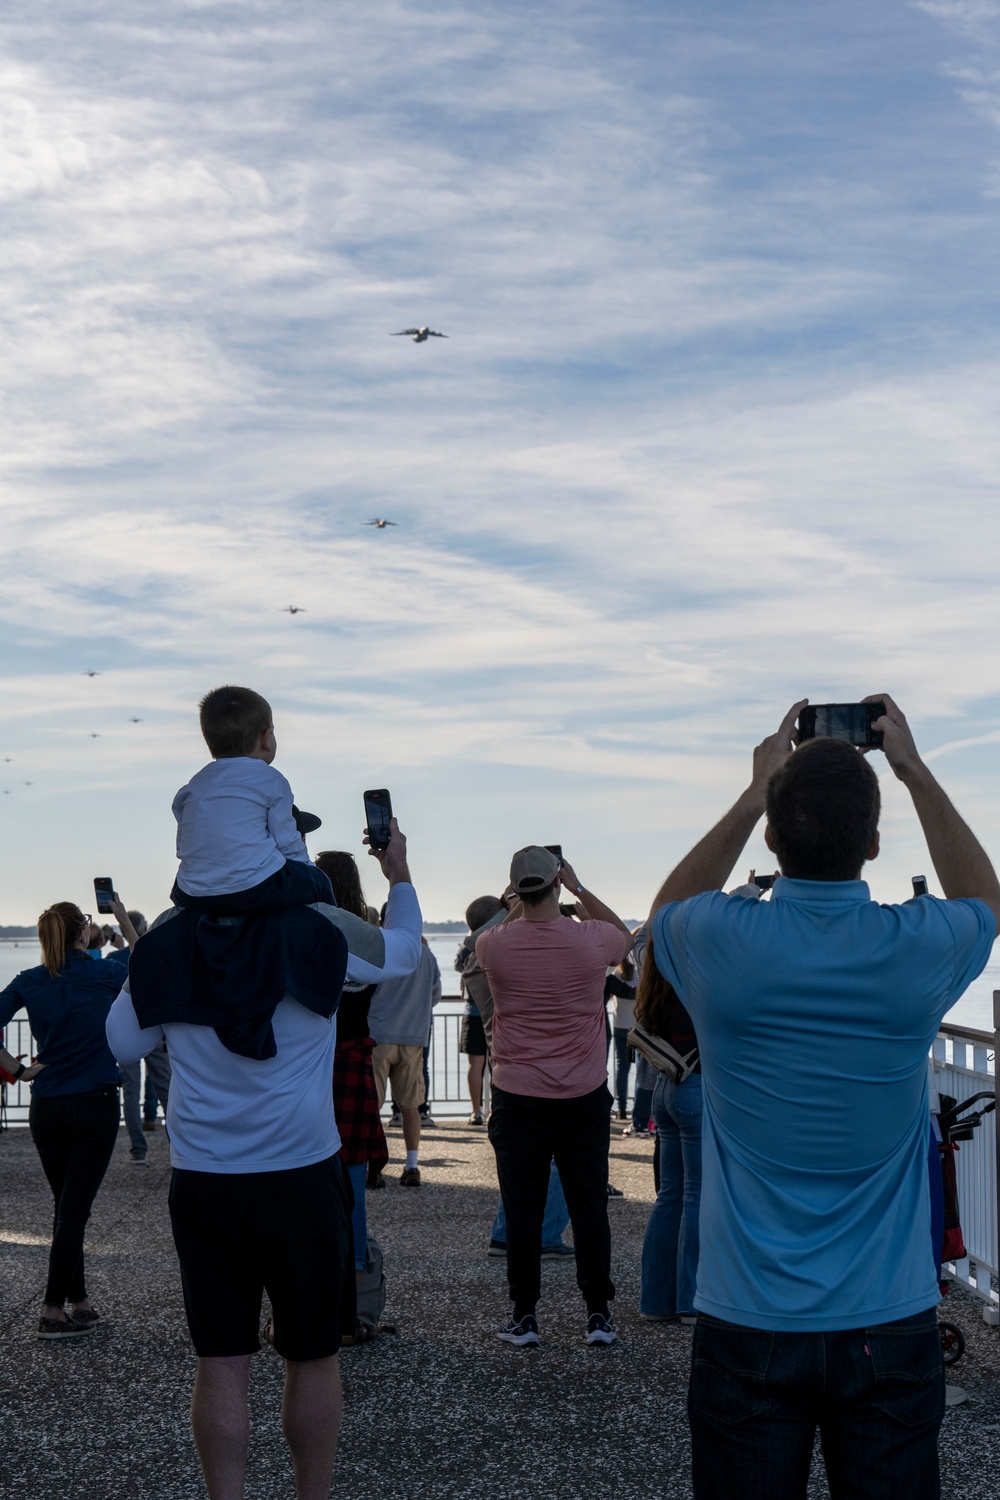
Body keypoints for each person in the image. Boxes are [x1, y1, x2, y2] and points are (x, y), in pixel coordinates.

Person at [648, 696, 999, 1500]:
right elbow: (988, 903)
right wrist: (914, 771)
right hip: (889, 1313)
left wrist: (750, 793)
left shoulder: (722, 939)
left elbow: (666, 911)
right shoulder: (916, 945)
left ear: (771, 837)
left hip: (747, 1314)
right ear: (874, 846)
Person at [107, 817, 421, 1500]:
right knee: (313, 1356)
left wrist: (156, 959)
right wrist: (397, 873)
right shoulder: (321, 925)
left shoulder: (171, 930)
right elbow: (401, 954)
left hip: (207, 1178)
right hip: (302, 1173)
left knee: (221, 1363)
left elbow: (123, 1040)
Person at [478, 847, 632, 1348]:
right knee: (588, 1204)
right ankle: (598, 1314)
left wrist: (512, 902)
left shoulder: (494, 945)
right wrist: (580, 889)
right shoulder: (590, 940)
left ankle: (525, 1316)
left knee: (522, 1206)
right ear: (557, 883)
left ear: (516, 890)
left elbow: (493, 928)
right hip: (583, 1092)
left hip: (517, 1093)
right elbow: (625, 938)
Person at [0, 898, 138, 1338]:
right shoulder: (105, 973)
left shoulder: (30, 981)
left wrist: (18, 1071)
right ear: (84, 934)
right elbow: (151, 958)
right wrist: (119, 914)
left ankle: (79, 1302)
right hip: (93, 1104)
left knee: (67, 1207)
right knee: (73, 1210)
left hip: (48, 1107)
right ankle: (52, 1311)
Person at [171, 684, 332, 916]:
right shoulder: (271, 779)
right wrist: (308, 870)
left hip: (193, 894)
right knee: (319, 882)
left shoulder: (194, 785)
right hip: (252, 889)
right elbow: (287, 842)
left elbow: (184, 845)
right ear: (266, 738)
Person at [314, 849, 388, 1289]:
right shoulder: (368, 937)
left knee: (306, 1177)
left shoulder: (307, 933)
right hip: (354, 1060)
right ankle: (356, 1286)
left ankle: (315, 1279)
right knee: (353, 1179)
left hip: (309, 1063)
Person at [633, 931, 702, 1324]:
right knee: (698, 1195)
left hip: (665, 1086)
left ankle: (657, 1301)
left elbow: (639, 937)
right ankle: (691, 1303)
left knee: (670, 1195)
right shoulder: (699, 976)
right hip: (698, 1084)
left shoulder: (655, 966)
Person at [368, 935, 441, 1186]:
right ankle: (411, 1165)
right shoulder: (426, 955)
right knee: (411, 1105)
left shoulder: (378, 950)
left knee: (372, 1105)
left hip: (378, 1034)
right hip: (413, 1036)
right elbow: (435, 995)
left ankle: (372, 1167)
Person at [118, 910, 172, 1164]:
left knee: (131, 1091)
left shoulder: (113, 959)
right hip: (153, 1027)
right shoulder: (156, 954)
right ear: (144, 928)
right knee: (166, 1088)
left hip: (127, 1031)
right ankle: (178, 1143)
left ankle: (138, 1150)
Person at [455, 895, 501, 1125]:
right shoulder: (497, 943)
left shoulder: (467, 946)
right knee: (497, 1063)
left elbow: (458, 965)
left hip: (472, 1010)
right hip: (494, 1014)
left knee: (476, 1063)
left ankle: (476, 1111)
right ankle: (494, 1109)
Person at [605, 955, 637, 1121]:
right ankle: (639, 1111)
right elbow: (633, 994)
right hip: (635, 1029)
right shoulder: (639, 975)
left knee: (621, 1068)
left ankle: (621, 1108)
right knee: (638, 1068)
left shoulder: (614, 974)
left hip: (619, 1027)